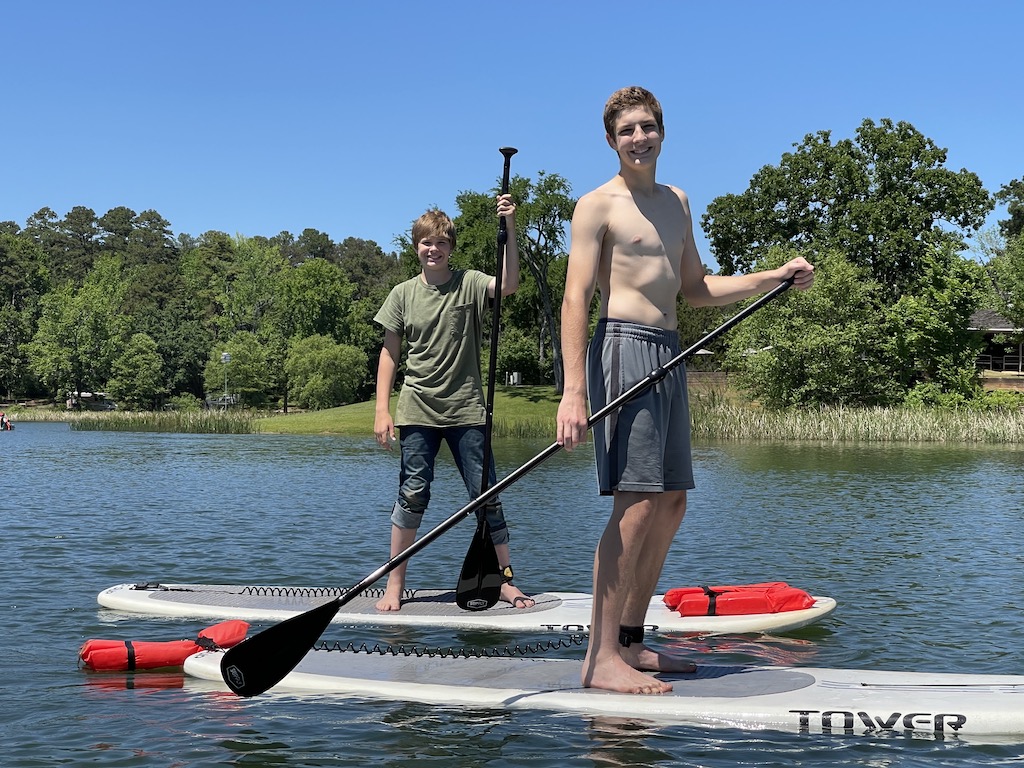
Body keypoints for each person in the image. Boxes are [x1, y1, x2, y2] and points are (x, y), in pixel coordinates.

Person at [556, 86, 815, 695]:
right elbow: (576, 298)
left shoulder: (677, 202)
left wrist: (769, 277)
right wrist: (573, 390)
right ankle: (597, 659)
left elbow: (695, 288)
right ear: (611, 141)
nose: (639, 138)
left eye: (648, 127)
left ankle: (629, 642)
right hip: (622, 349)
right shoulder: (596, 206)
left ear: (663, 132)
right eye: (627, 131)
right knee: (637, 500)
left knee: (671, 502)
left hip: (670, 353)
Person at [373, 196, 535, 612]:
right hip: (416, 410)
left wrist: (510, 227)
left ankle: (505, 581)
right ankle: (395, 584)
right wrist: (382, 410)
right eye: (426, 243)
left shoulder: (469, 283)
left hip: (466, 410)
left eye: (441, 243)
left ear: (451, 248)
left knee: (488, 497)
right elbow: (390, 354)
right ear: (416, 247)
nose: (434, 249)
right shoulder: (402, 294)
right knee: (412, 494)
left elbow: (510, 284)